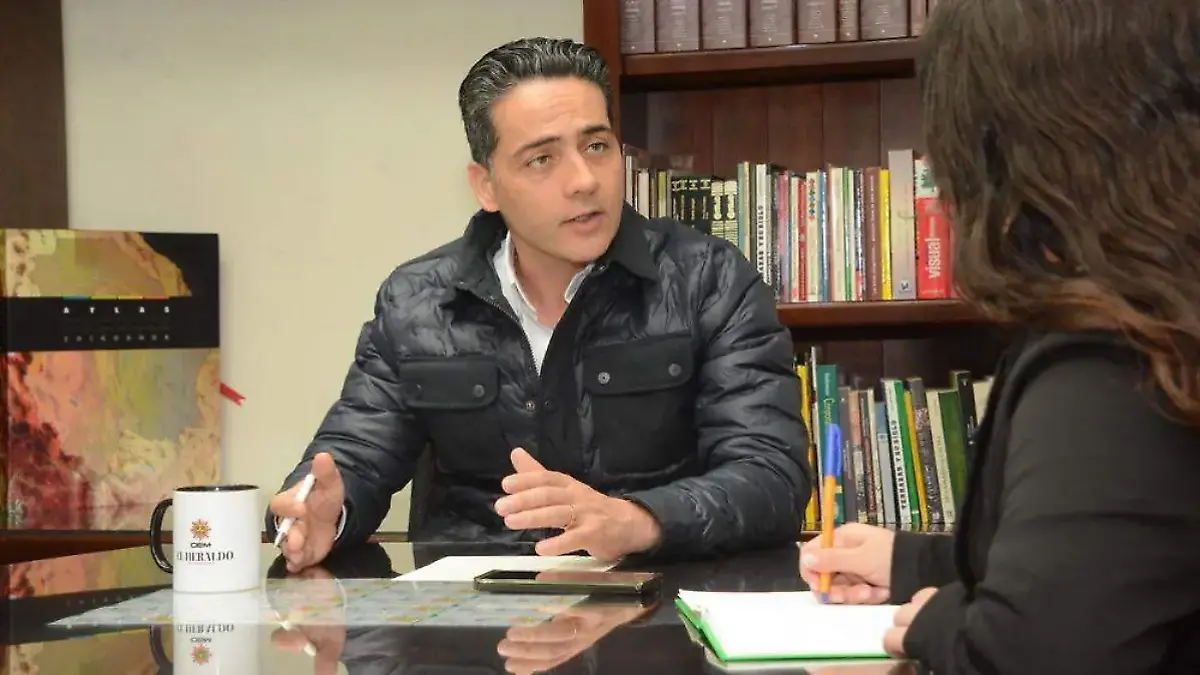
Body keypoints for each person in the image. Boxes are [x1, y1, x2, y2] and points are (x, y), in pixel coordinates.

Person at [267, 37, 812, 572]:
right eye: (542, 159)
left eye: (596, 147)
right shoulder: (419, 299)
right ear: (486, 186)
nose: (584, 181)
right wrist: (324, 512)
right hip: (473, 613)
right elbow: (356, 452)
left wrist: (639, 520)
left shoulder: (709, 281)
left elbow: (770, 476)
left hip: (656, 602)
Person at [798, 0, 1200, 672]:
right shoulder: (1160, 318)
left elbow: (1035, 654)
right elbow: (1117, 563)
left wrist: (940, 620)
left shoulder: (1111, 361)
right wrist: (915, 562)